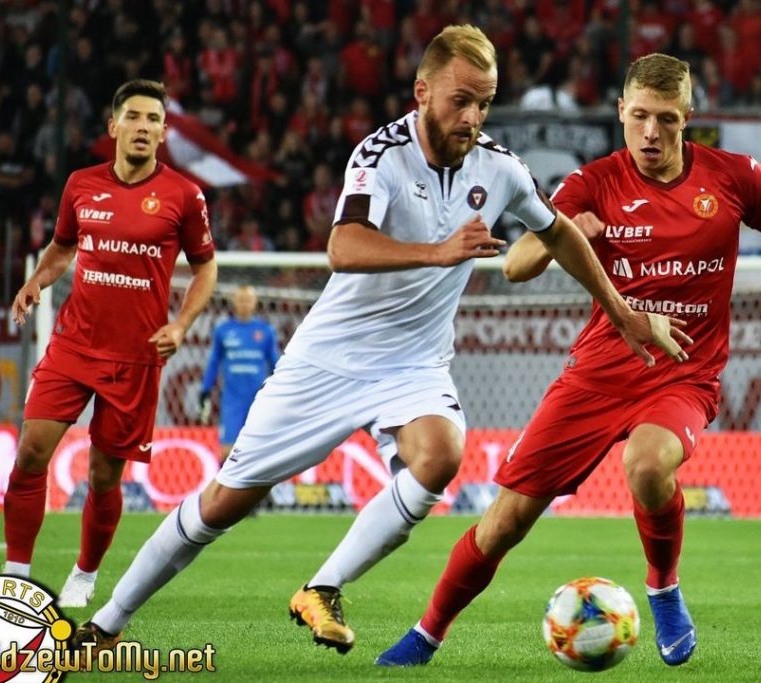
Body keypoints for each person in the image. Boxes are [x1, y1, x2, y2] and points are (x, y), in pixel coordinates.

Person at [73, 26, 689, 653]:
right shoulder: (380, 155)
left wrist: (620, 312)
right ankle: (108, 621)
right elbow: (343, 247)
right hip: (329, 360)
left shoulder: (500, 168)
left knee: (441, 454)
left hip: (413, 365)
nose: (472, 117)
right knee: (222, 505)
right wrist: (439, 252)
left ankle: (322, 587)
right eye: (460, 101)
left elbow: (557, 232)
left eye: (484, 103)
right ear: (422, 92)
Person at [375, 53, 761, 668]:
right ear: (621, 111)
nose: (651, 132)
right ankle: (426, 634)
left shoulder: (735, 177)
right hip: (597, 373)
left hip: (684, 374)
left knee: (646, 465)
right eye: (640, 116)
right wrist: (570, 232)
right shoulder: (593, 183)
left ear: (688, 118)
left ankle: (663, 588)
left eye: (667, 119)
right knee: (505, 521)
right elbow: (515, 266)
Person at [6, 79, 217, 608]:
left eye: (154, 120)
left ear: (163, 133)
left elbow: (206, 269)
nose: (144, 127)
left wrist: (181, 325)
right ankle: (15, 577)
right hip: (73, 345)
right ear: (114, 126)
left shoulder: (184, 196)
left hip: (135, 356)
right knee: (31, 450)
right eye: (135, 117)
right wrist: (37, 280)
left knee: (103, 476)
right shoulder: (80, 184)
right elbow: (61, 249)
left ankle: (85, 573)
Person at [199, 284, 280, 460]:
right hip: (232, 397)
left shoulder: (265, 331)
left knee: (258, 448)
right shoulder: (223, 330)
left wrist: (284, 388)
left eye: (248, 300)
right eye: (241, 300)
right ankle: (223, 477)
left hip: (258, 397)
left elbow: (275, 364)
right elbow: (214, 362)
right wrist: (205, 389)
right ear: (234, 302)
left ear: (255, 302)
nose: (245, 304)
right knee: (228, 449)